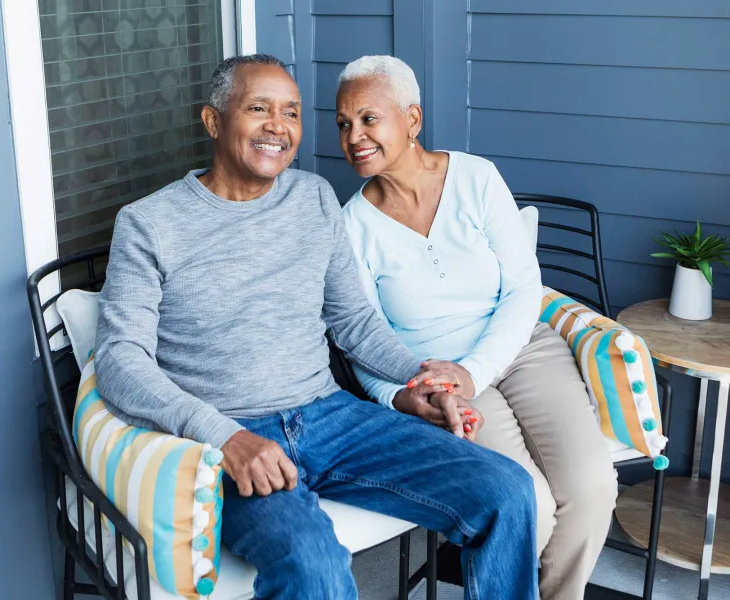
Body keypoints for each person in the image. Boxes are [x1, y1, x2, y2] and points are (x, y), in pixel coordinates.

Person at [95, 53, 538, 600]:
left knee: (506, 490)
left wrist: (421, 380)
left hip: (330, 414)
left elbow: (351, 319)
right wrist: (225, 438)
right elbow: (119, 360)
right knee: (314, 566)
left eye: (292, 113)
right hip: (232, 433)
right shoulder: (149, 224)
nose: (278, 127)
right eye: (258, 108)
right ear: (213, 121)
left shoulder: (313, 198)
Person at [337, 55, 617, 600]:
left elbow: (522, 288)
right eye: (344, 123)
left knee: (592, 486)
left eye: (369, 118)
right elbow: (362, 341)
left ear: (412, 119)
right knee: (524, 504)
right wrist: (400, 397)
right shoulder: (351, 226)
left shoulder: (475, 177)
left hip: (522, 350)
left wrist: (475, 369)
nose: (355, 136)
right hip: (437, 379)